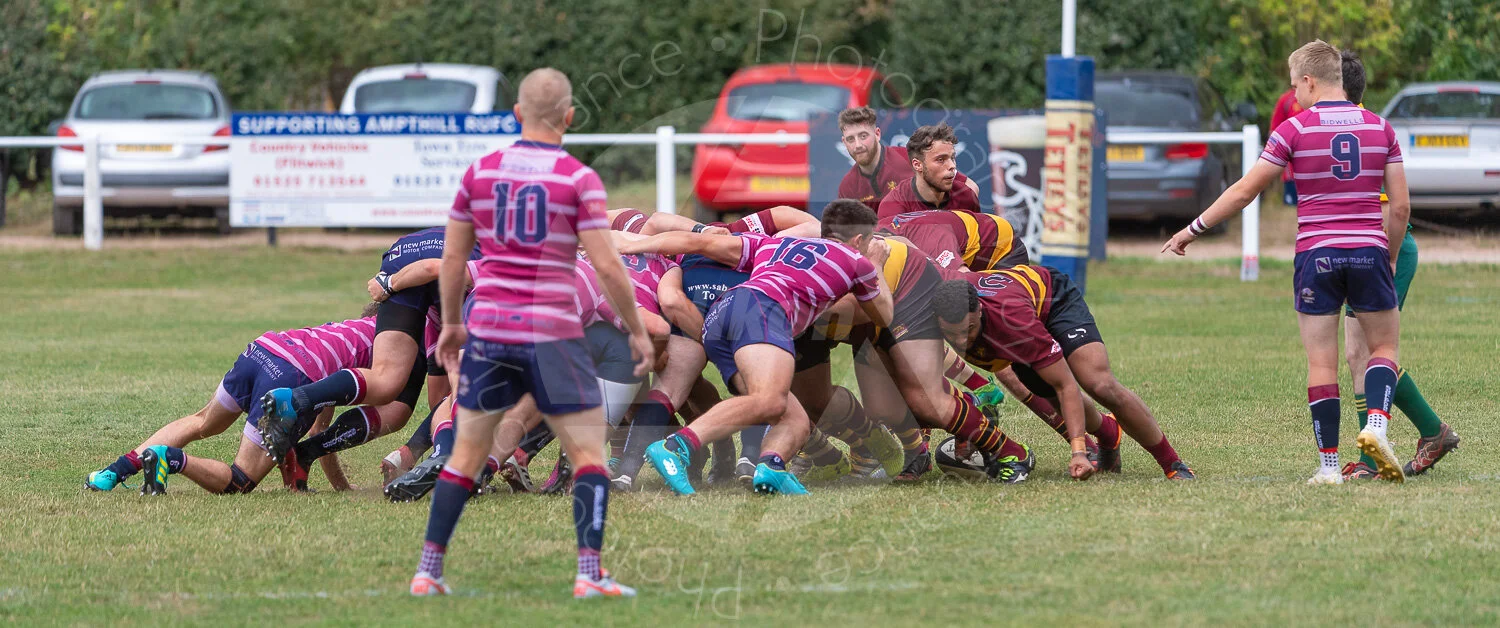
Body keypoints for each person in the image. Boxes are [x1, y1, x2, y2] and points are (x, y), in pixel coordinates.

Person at [408, 68, 654, 598]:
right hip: (554, 335)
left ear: (516, 114)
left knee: (466, 456)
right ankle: (589, 574)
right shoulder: (577, 177)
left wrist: (452, 324)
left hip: (489, 328)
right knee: (590, 456)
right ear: (569, 117)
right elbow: (609, 267)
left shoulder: (480, 172)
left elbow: (452, 259)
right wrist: (635, 329)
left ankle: (429, 572)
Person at [1163, 40, 1410, 485]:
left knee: (1321, 362)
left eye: (1295, 85)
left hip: (1315, 255)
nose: (1293, 95)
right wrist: (1387, 257)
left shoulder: (1293, 130)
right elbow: (1401, 209)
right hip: (1367, 249)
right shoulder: (1381, 128)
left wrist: (1191, 230)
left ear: (1310, 81)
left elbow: (1243, 192)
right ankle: (1376, 425)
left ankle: (1329, 467)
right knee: (1384, 348)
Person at [620, 228, 893, 496]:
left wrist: (631, 245)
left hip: (718, 318)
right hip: (761, 310)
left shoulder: (771, 244)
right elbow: (882, 315)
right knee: (769, 400)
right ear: (858, 239)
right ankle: (677, 446)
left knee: (793, 419)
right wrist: (877, 263)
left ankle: (771, 466)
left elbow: (692, 240)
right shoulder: (857, 260)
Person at [932, 266, 1192, 480]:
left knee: (1098, 384)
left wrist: (1078, 451)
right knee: (1061, 405)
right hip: (1018, 318)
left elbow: (1066, 384)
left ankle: (1172, 464)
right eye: (951, 333)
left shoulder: (1013, 323)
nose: (961, 340)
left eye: (969, 329)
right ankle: (1108, 432)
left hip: (1052, 302)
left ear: (980, 310)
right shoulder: (925, 313)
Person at [85, 311, 385, 495]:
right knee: (240, 481)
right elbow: (320, 431)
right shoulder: (387, 348)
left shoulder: (351, 328)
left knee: (202, 422)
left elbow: (319, 421)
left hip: (265, 349)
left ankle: (111, 473)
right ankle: (169, 458)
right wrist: (343, 487)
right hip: (292, 375)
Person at [1334, 50, 1460, 481]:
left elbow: (1395, 209)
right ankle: (1429, 432)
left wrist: (1385, 261)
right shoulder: (1348, 123)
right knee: (1358, 352)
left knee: (1366, 352)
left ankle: (1376, 459)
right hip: (1371, 251)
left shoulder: (1362, 128)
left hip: (1387, 249)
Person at [258, 227, 478, 463]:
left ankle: (292, 400)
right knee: (400, 406)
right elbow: (430, 268)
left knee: (386, 382)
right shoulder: (498, 273)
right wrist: (390, 283)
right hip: (425, 271)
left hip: (403, 254)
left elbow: (440, 400)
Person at [836, 107, 978, 211]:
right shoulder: (848, 187)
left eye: (863, 136)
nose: (858, 145)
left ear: (877, 134)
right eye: (850, 139)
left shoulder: (907, 158)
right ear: (844, 142)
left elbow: (971, 187)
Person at [875, 124, 983, 221]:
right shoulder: (893, 206)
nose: (952, 166)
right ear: (918, 165)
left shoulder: (966, 197)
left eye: (952, 158)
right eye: (940, 159)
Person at [1269, 87, 1304, 206]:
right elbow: (1274, 130)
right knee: (1291, 207)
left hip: (1315, 168)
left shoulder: (1317, 98)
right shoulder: (1287, 99)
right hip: (1292, 169)